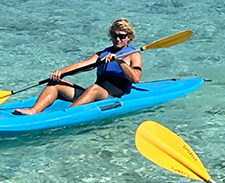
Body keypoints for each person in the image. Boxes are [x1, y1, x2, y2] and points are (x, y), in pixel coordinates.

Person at [13, 18, 142, 115]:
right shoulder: (103, 53)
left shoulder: (133, 54)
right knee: (56, 83)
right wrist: (60, 72)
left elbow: (136, 78)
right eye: (115, 35)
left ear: (129, 38)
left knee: (94, 88)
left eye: (122, 36)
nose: (118, 39)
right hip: (93, 93)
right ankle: (33, 111)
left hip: (112, 95)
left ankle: (68, 114)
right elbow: (81, 65)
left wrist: (120, 61)